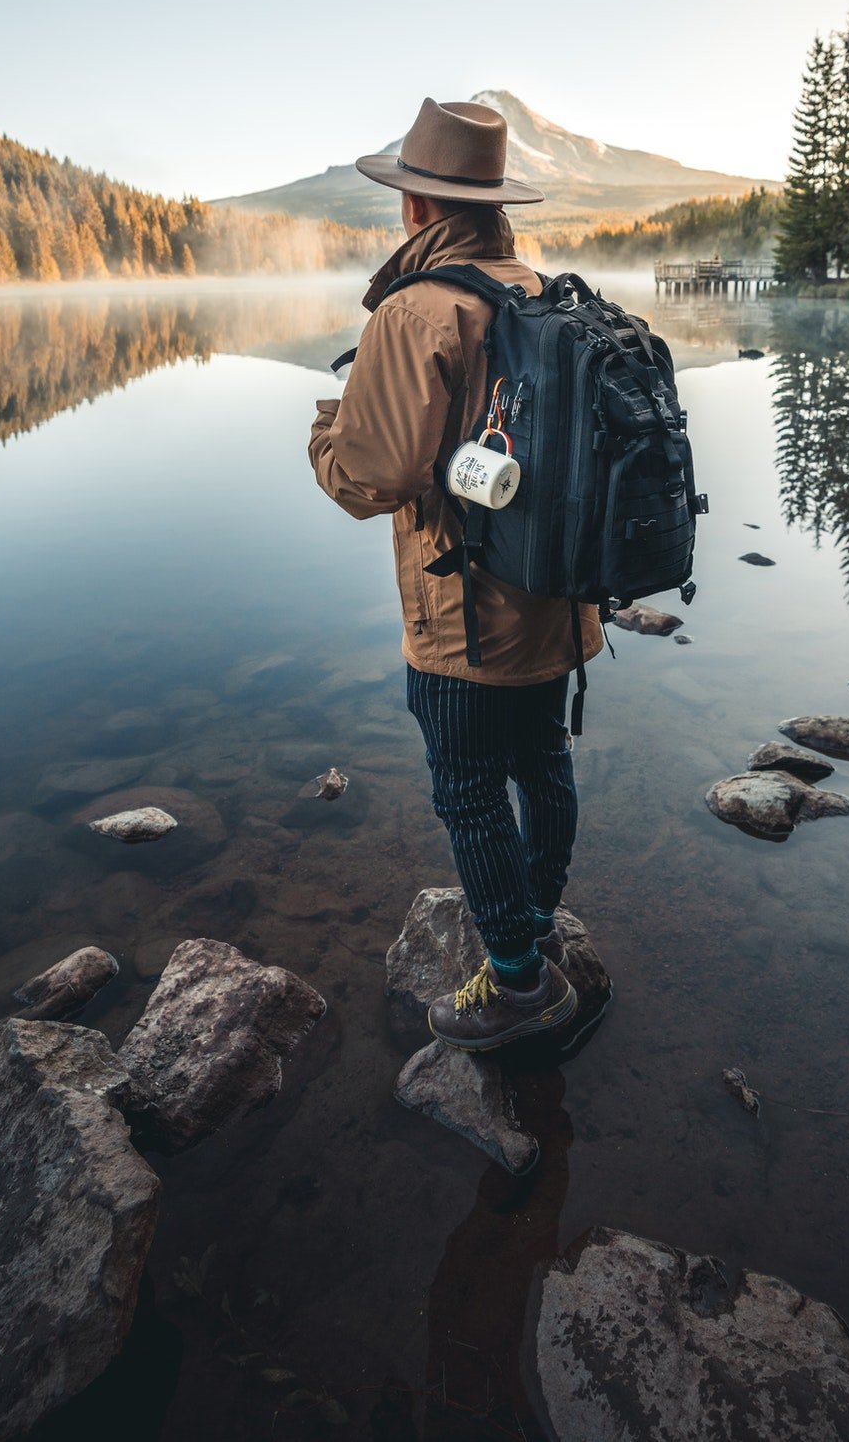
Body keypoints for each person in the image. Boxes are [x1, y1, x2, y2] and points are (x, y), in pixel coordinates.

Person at [308, 97, 602, 1049]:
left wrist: (324, 435)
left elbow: (373, 478)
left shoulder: (417, 309)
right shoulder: (545, 288)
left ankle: (519, 981)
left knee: (467, 790)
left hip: (465, 618)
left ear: (418, 209)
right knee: (542, 761)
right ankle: (538, 922)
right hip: (561, 601)